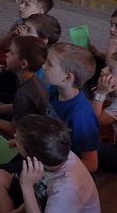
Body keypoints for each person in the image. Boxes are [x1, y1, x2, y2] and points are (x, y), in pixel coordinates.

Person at [0, 114, 101, 213]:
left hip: (58, 204)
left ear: (33, 157)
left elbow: (43, 194)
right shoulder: (55, 151)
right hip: (46, 200)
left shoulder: (65, 191)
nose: (14, 136)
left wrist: (27, 187)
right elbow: (41, 193)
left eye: (18, 139)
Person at [0, 36, 49, 141]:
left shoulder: (24, 93)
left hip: (25, 138)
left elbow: (13, 132)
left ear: (23, 64)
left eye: (11, 53)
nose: (7, 54)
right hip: (24, 120)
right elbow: (17, 106)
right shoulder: (28, 79)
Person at [43, 43, 99, 173]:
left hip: (62, 167)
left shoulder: (81, 116)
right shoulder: (54, 90)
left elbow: (91, 164)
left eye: (49, 64)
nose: (43, 66)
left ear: (67, 77)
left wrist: (48, 168)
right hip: (48, 148)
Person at [0, 13, 61, 103]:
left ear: (43, 40)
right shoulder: (25, 45)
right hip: (18, 76)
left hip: (26, 97)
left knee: (7, 72)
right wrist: (14, 34)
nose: (22, 31)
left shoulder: (40, 62)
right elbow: (2, 46)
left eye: (28, 30)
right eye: (24, 26)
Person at [0, 0, 53, 73]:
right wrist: (14, 33)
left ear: (41, 12)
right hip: (18, 52)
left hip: (32, 59)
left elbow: (36, 55)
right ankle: (8, 67)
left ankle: (7, 69)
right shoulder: (19, 21)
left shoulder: (43, 27)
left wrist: (23, 39)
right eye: (22, 2)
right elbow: (3, 45)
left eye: (27, 4)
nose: (21, 6)